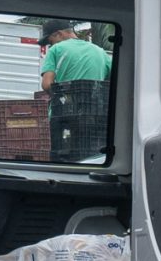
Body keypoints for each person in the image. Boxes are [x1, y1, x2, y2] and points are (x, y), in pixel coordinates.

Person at [37, 21, 112, 163]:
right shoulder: (100, 52)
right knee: (89, 157)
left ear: (58, 34)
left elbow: (47, 84)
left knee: (62, 160)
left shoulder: (56, 49)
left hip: (64, 116)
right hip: (94, 116)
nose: (50, 45)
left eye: (50, 41)